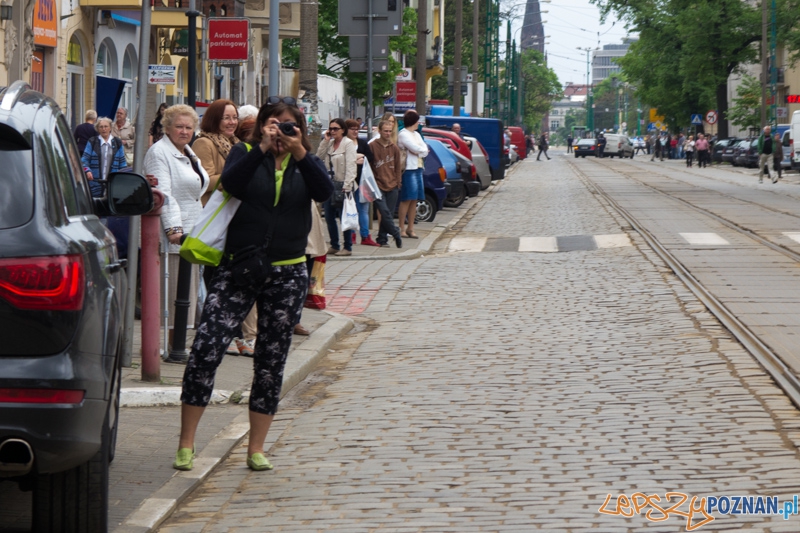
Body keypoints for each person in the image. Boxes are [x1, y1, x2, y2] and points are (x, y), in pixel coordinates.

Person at [172, 101, 333, 472]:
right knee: (207, 349)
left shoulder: (303, 161)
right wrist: (262, 147)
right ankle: (186, 443)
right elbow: (231, 184)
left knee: (270, 361)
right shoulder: (245, 153)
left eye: (290, 126)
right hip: (238, 268)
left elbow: (324, 192)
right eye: (275, 125)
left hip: (287, 273)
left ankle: (256, 448)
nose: (282, 132)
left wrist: (300, 152)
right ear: (261, 126)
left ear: (301, 130)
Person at [143, 105, 210, 351]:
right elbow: (164, 195)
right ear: (167, 128)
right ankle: (170, 347)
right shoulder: (159, 152)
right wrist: (173, 229)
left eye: (189, 127)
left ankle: (179, 344)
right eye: (179, 126)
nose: (184, 131)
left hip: (192, 229)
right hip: (173, 234)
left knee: (188, 292)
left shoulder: (189, 151)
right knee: (173, 294)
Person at [317, 118, 357, 256]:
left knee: (344, 216)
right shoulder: (330, 143)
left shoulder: (348, 144)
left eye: (335, 129)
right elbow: (318, 157)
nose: (332, 131)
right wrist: (325, 140)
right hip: (330, 184)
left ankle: (347, 247)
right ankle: (334, 244)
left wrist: (347, 185)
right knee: (328, 216)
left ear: (343, 130)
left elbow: (351, 166)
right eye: (331, 128)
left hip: (342, 184)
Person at [368, 119, 404, 248]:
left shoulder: (394, 148)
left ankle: (382, 239)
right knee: (384, 212)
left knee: (388, 212)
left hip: (392, 184)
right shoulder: (372, 146)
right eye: (385, 131)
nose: (388, 133)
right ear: (379, 131)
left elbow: (398, 166)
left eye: (390, 131)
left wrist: (398, 182)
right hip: (378, 184)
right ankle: (396, 233)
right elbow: (369, 166)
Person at [345, 119, 380, 247]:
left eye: (357, 129)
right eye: (352, 129)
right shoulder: (344, 143)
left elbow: (370, 157)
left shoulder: (362, 143)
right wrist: (355, 157)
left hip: (362, 181)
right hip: (349, 181)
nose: (355, 131)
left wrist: (363, 157)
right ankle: (351, 235)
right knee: (350, 210)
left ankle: (365, 236)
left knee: (363, 209)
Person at [396, 110, 428, 239]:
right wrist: (421, 151)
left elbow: (424, 148)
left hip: (418, 167)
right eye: (417, 121)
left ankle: (411, 228)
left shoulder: (416, 134)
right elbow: (415, 148)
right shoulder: (403, 134)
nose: (418, 123)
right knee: (406, 198)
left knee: (414, 199)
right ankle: (401, 228)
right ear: (413, 121)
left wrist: (420, 151)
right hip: (409, 169)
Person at [81, 116, 127, 198]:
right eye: (101, 127)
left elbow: (122, 164)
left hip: (112, 184)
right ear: (98, 129)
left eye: (106, 126)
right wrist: (87, 171)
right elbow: (84, 161)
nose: (103, 129)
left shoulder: (117, 143)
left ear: (110, 128)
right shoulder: (92, 141)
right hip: (94, 185)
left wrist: (121, 179)